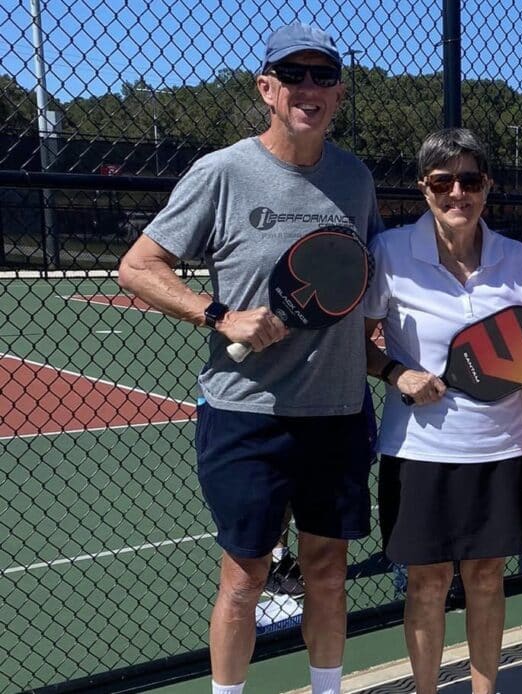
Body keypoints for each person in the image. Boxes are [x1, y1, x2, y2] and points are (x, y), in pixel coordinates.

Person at [117, 23, 381, 694]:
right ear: (267, 89)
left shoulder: (354, 179)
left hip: (338, 413)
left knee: (328, 573)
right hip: (245, 414)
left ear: (338, 93)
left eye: (323, 76)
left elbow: (363, 281)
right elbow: (139, 267)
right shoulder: (223, 172)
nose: (308, 87)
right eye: (293, 75)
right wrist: (219, 315)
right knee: (244, 578)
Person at [363, 127, 522, 694]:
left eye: (470, 180)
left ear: (486, 186)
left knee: (487, 578)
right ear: (424, 187)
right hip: (419, 451)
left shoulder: (517, 260)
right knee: (427, 582)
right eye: (443, 182)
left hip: (500, 447)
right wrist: (397, 373)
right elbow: (355, 343)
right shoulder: (391, 252)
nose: (457, 193)